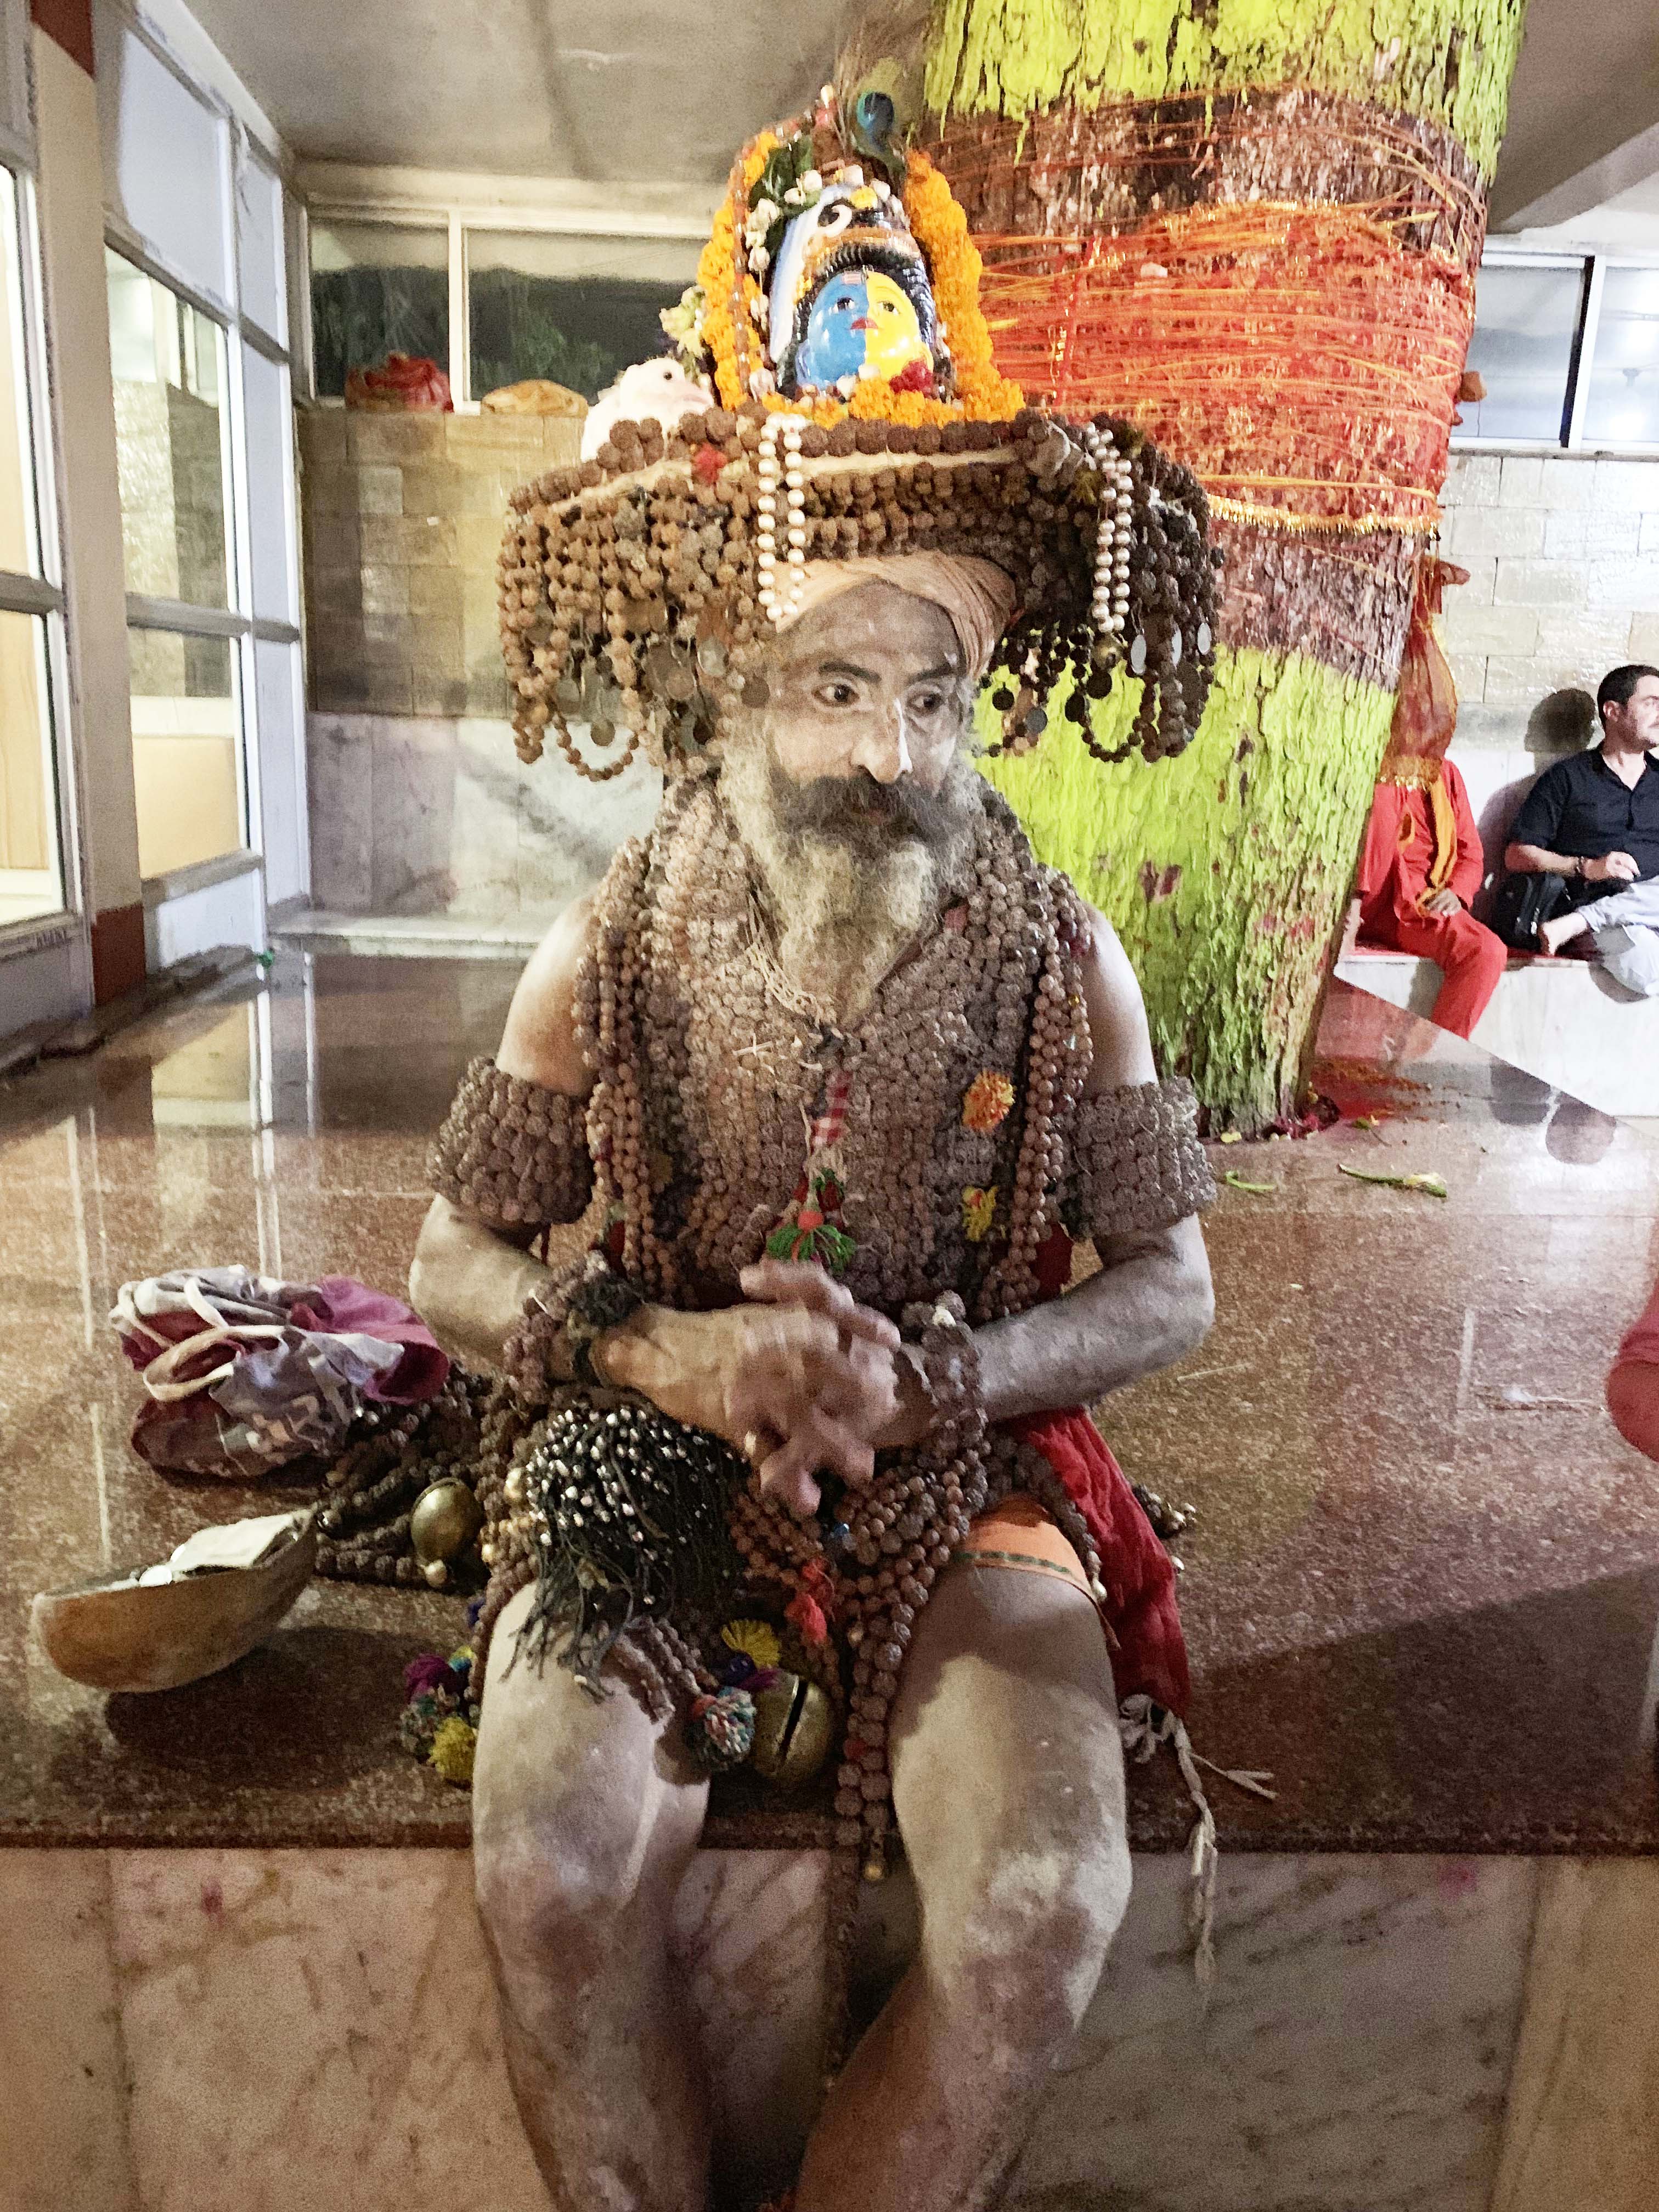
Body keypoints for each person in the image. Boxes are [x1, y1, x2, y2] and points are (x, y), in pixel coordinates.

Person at [408, 94, 1223, 2212]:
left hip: (964, 1460)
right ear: (728, 694)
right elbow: (448, 1262)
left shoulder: (1062, 954)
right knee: (548, 1860)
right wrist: (662, 1355)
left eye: (933, 695)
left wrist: (945, 1377)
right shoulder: (611, 943)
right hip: (646, 1442)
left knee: (1041, 1901)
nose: (887, 751)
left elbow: (1173, 1284)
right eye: (828, 686)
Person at [1350, 556, 1508, 1037]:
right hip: (1368, 905)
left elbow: (1470, 851)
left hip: (1422, 906)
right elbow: (1367, 853)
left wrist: (1457, 894)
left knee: (1488, 951)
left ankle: (1438, 1056)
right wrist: (1350, 912)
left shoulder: (1447, 774)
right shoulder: (1369, 768)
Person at [1505, 664, 1659, 994]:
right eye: (1651, 703)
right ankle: (1586, 920)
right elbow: (1516, 855)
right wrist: (1586, 867)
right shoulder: (1568, 778)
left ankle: (1579, 922)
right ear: (1613, 711)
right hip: (1608, 916)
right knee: (1646, 963)